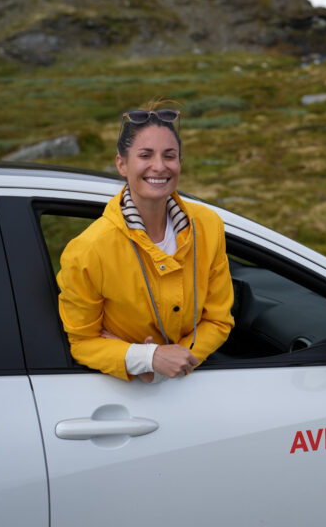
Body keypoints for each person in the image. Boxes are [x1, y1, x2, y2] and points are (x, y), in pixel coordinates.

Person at [57, 105, 234, 382]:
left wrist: (168, 362)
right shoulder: (88, 250)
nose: (160, 166)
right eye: (145, 155)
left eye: (170, 156)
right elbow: (82, 343)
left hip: (190, 391)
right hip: (127, 404)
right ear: (122, 164)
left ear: (180, 162)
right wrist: (147, 358)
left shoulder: (208, 226)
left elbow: (218, 321)